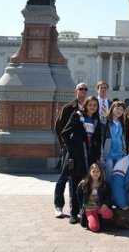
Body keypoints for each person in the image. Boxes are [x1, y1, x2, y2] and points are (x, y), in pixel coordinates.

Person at [60, 96, 103, 224]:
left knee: (88, 186)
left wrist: (97, 157)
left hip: (90, 157)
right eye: (90, 105)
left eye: (95, 105)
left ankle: (84, 212)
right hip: (77, 157)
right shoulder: (77, 116)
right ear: (86, 105)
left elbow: (98, 140)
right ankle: (74, 213)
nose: (92, 107)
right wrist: (71, 149)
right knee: (75, 185)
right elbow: (65, 133)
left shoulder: (96, 120)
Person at [53, 82, 89, 219]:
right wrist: (64, 145)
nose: (83, 91)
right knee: (62, 178)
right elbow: (59, 128)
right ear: (76, 90)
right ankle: (58, 206)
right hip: (69, 149)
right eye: (81, 89)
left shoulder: (88, 109)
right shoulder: (68, 108)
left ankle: (77, 207)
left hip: (81, 150)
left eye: (85, 89)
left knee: (76, 179)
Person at [77, 163, 113, 232]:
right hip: (89, 209)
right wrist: (83, 207)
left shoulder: (104, 184)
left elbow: (108, 196)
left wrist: (105, 204)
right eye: (93, 171)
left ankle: (99, 218)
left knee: (109, 213)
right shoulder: (84, 184)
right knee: (95, 228)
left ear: (101, 172)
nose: (95, 173)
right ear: (90, 172)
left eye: (98, 171)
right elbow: (79, 195)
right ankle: (88, 219)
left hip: (99, 207)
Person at [101, 101, 125, 184]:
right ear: (112, 109)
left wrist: (124, 153)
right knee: (109, 175)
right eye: (117, 108)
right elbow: (101, 138)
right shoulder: (106, 122)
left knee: (118, 175)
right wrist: (101, 155)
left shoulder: (122, 123)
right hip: (108, 154)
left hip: (119, 153)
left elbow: (123, 140)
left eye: (121, 109)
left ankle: (115, 193)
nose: (119, 111)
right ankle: (108, 193)